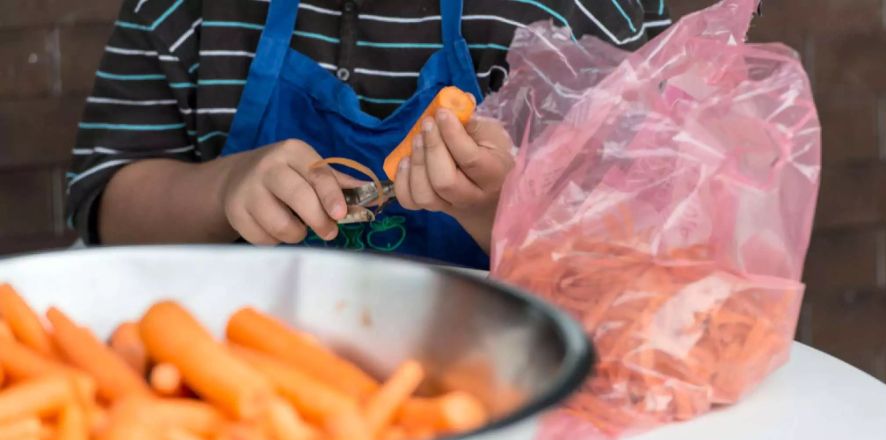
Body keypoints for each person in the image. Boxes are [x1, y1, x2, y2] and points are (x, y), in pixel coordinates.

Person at [67, 0, 671, 269]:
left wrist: (504, 213)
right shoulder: (184, 10)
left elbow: (663, 242)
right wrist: (225, 188)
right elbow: (107, 204)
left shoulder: (579, 16)